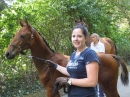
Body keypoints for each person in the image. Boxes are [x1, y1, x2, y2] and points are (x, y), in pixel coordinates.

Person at [45, 24, 100, 97]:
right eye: (73, 36)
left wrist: (69, 81)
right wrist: (55, 66)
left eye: (79, 36)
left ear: (86, 38)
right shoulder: (74, 54)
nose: (76, 39)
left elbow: (92, 81)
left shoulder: (89, 54)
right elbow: (70, 71)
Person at [90, 33, 105, 97]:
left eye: (93, 37)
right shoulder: (91, 44)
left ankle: (101, 94)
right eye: (91, 37)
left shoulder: (101, 45)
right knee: (93, 78)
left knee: (100, 79)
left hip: (100, 63)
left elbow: (102, 53)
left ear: (97, 38)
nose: (92, 39)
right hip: (92, 63)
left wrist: (93, 53)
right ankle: (95, 94)